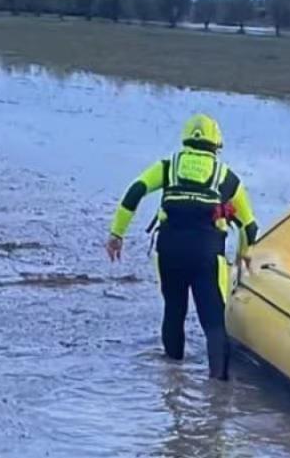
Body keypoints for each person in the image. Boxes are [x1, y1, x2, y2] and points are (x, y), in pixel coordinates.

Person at [106, 113, 259, 380]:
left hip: (170, 251)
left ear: (186, 139)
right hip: (206, 254)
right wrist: (243, 256)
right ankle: (218, 390)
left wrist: (116, 234)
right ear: (216, 144)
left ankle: (172, 379)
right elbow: (250, 227)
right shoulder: (226, 177)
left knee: (174, 311)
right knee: (213, 322)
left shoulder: (168, 167)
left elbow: (135, 191)